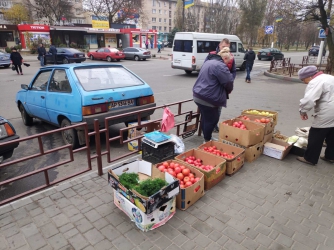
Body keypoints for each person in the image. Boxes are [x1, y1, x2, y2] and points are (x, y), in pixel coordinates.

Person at [193, 47, 234, 142]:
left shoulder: (208, 62)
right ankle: (207, 140)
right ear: (224, 59)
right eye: (228, 62)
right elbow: (228, 82)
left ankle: (206, 137)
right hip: (209, 98)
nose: (228, 64)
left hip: (198, 94)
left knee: (205, 117)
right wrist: (229, 90)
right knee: (212, 119)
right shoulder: (220, 66)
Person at [296, 65, 334, 165]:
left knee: (316, 134)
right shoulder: (329, 77)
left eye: (303, 79)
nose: (304, 82)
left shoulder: (315, 82)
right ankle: (330, 156)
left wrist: (303, 111)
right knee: (332, 133)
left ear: (308, 76)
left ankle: (310, 158)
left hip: (328, 111)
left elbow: (308, 100)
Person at [205, 38, 237, 133]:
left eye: (227, 47)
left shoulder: (230, 57)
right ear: (219, 46)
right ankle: (207, 127)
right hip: (210, 87)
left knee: (218, 108)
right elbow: (205, 68)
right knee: (208, 108)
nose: (225, 49)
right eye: (223, 47)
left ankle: (214, 125)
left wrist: (230, 79)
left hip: (222, 88)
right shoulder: (212, 55)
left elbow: (233, 71)